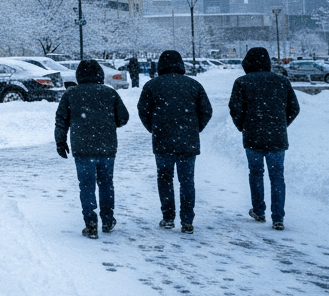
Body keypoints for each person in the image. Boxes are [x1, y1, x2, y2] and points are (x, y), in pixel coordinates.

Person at [137, 50, 213, 234]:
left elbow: (143, 111)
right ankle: (187, 220)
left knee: (165, 179)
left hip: (163, 140)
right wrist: (195, 128)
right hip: (188, 141)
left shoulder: (152, 86)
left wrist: (154, 128)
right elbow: (206, 111)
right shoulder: (194, 85)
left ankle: (168, 217)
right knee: (187, 180)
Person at [54, 60, 130, 239]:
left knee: (86, 187)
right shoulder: (109, 93)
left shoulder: (71, 94)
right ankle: (108, 220)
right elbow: (123, 117)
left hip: (82, 149)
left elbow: (61, 120)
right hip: (107, 148)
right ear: (100, 74)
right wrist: (109, 124)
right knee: (106, 184)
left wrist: (60, 142)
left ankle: (91, 223)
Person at [229, 47, 300, 230]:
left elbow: (235, 109)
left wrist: (243, 126)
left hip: (252, 136)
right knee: (277, 176)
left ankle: (259, 210)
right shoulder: (282, 81)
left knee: (256, 173)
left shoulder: (242, 82)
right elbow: (294, 108)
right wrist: (280, 125)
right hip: (277, 137)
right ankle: (278, 217)